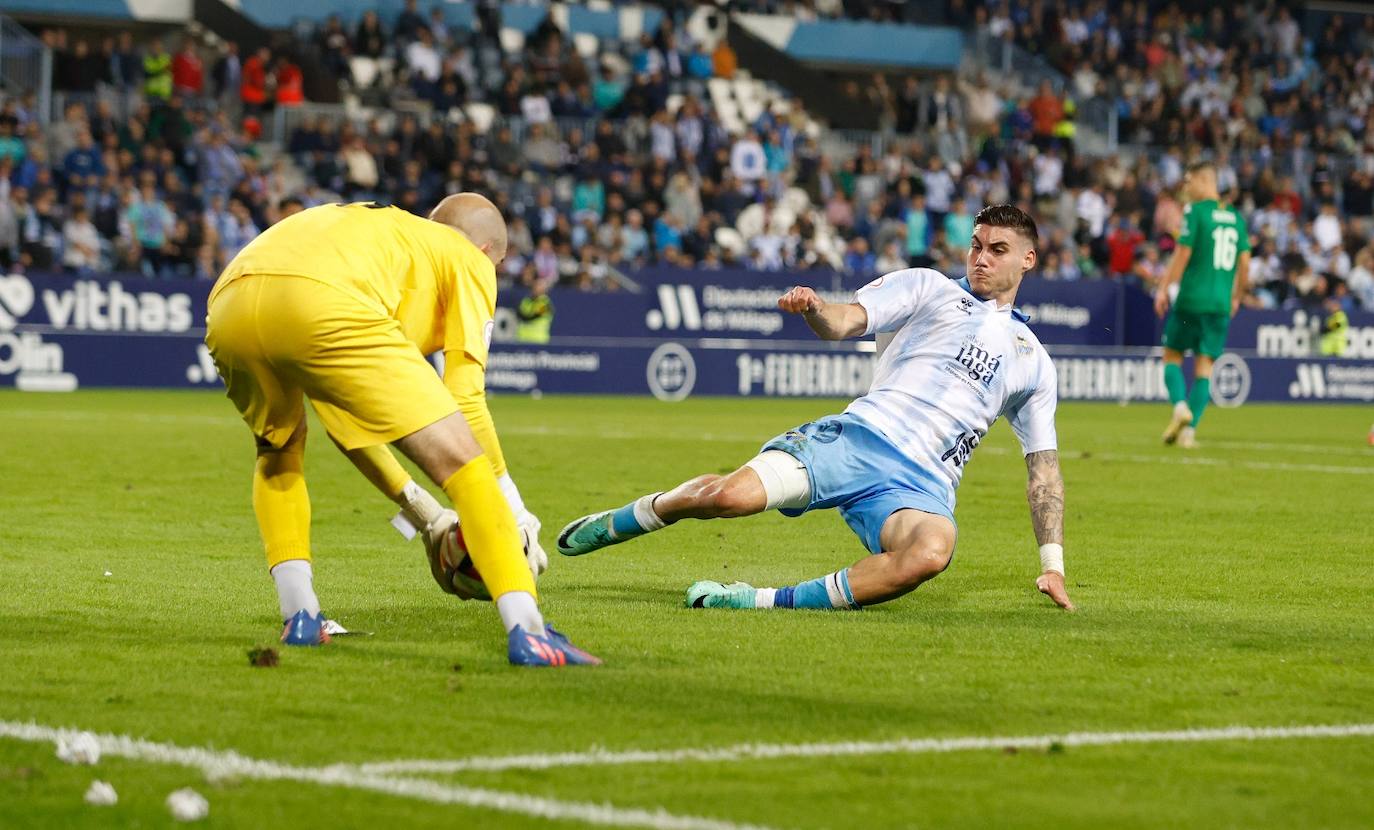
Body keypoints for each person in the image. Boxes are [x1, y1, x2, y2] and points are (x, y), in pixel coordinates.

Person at [557, 205, 1074, 613]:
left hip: (921, 487)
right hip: (857, 441)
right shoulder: (928, 288)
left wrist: (1053, 564)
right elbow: (846, 321)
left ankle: (756, 600)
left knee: (931, 552)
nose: (980, 258)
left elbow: (1043, 473)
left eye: (998, 250)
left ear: (1028, 259)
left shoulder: (1033, 361)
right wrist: (815, 309)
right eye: (976, 246)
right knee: (726, 498)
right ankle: (637, 515)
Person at [204, 195, 600, 666]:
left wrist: (425, 513)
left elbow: (346, 424)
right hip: (322, 298)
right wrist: (515, 512)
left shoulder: (388, 247)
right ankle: (529, 631)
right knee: (467, 465)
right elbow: (466, 399)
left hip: (229, 300)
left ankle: (301, 616)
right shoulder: (468, 258)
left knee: (278, 450)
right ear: (492, 252)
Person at [1153, 162, 1251, 449]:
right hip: (1221, 303)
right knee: (1204, 367)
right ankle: (1189, 432)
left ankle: (1180, 406)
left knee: (1171, 356)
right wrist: (1237, 296)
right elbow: (1244, 263)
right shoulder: (1235, 217)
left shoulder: (1195, 212)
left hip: (1191, 300)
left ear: (1203, 180)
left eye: (1188, 181)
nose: (1185, 188)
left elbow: (1182, 253)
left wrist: (1163, 288)